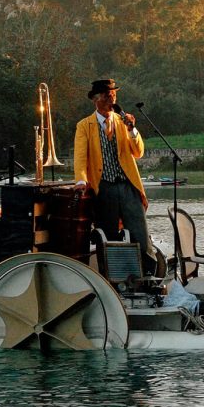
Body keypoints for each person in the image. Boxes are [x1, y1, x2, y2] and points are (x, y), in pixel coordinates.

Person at [72, 78, 153, 274]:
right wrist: (81, 180)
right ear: (96, 99)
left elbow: (138, 152)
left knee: (140, 233)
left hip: (127, 185)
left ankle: (149, 275)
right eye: (108, 96)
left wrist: (132, 129)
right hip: (104, 187)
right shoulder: (85, 126)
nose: (112, 100)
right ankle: (111, 277)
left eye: (114, 96)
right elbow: (81, 157)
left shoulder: (122, 121)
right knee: (107, 236)